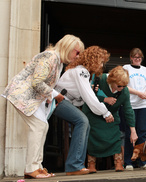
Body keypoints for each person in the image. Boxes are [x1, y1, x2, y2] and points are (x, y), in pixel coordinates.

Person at [1, 34, 84, 179]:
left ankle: (37, 167)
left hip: (32, 97)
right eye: (77, 52)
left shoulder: (57, 61)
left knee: (42, 126)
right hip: (22, 95)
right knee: (39, 126)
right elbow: (37, 82)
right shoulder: (50, 57)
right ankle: (32, 168)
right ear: (68, 47)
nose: (78, 56)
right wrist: (54, 94)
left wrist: (49, 97)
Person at [53, 46, 114, 175]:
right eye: (101, 61)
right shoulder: (82, 72)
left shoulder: (82, 71)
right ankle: (74, 165)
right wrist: (106, 112)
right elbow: (89, 97)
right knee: (82, 121)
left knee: (83, 122)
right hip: (58, 100)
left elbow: (82, 98)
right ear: (94, 59)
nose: (102, 65)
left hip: (61, 100)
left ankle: (75, 165)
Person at [82, 66, 138, 173]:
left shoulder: (124, 91)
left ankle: (118, 161)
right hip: (93, 114)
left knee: (116, 135)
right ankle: (91, 163)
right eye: (119, 85)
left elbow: (128, 110)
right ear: (112, 80)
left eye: (124, 86)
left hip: (111, 116)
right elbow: (88, 95)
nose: (121, 88)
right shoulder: (99, 79)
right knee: (93, 136)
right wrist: (104, 99)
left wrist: (133, 131)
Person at [123, 48, 146, 170]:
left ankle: (143, 160)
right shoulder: (126, 68)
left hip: (143, 105)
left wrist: (144, 93)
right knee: (129, 133)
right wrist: (138, 93)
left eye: (139, 57)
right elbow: (124, 85)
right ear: (131, 58)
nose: (137, 59)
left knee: (143, 133)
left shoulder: (145, 70)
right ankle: (129, 161)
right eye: (135, 57)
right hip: (130, 104)